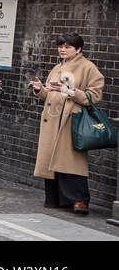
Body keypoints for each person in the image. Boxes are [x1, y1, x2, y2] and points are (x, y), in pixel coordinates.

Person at [31, 33, 106, 214]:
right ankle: (55, 198)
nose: (62, 49)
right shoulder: (58, 67)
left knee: (72, 162)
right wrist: (40, 90)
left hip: (71, 120)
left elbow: (94, 96)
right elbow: (50, 93)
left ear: (78, 49)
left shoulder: (88, 68)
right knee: (52, 160)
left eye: (67, 47)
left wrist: (71, 91)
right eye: (61, 46)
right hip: (53, 119)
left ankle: (80, 200)